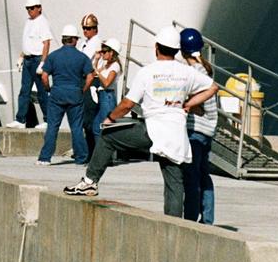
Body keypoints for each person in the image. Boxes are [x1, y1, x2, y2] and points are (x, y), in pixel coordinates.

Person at [64, 26, 218, 217]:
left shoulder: (148, 72)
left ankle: (89, 182)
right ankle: (175, 225)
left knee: (108, 137)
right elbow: (212, 88)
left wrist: (110, 118)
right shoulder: (186, 72)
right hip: (176, 137)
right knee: (174, 184)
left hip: (152, 131)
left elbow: (128, 103)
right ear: (176, 50)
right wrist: (186, 104)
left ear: (156, 48)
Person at [38, 25, 94, 165]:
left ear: (63, 39)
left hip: (57, 93)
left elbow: (44, 76)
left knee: (52, 126)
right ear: (74, 40)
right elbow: (90, 77)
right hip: (75, 93)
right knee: (76, 127)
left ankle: (45, 158)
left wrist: (48, 89)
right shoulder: (82, 57)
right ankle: (81, 158)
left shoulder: (53, 56)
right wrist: (83, 90)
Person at [179, 27, 218, 224]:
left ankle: (190, 218)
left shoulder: (193, 72)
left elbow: (198, 104)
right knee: (204, 176)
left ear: (182, 50)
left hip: (196, 130)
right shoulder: (206, 69)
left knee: (191, 178)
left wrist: (184, 106)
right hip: (208, 130)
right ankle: (208, 219)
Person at [12, 0, 52, 128]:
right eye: (28, 8)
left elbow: (46, 43)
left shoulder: (42, 22)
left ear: (39, 8)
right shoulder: (28, 22)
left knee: (41, 91)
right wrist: (21, 56)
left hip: (37, 60)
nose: (30, 10)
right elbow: (28, 42)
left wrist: (42, 62)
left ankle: (47, 119)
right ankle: (20, 120)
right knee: (24, 90)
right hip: (28, 59)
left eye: (32, 8)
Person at [78, 14, 103, 154]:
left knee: (90, 118)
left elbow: (84, 60)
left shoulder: (96, 43)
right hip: (83, 79)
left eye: (89, 28)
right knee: (85, 118)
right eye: (84, 28)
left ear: (95, 29)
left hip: (92, 81)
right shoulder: (84, 43)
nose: (86, 31)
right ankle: (88, 150)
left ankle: (93, 152)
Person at [90, 38, 122, 133]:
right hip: (103, 96)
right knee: (96, 127)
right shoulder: (106, 64)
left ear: (111, 52)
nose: (102, 53)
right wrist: (96, 60)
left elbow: (107, 83)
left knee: (104, 128)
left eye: (104, 51)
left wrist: (98, 72)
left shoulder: (115, 66)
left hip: (108, 97)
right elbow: (93, 74)